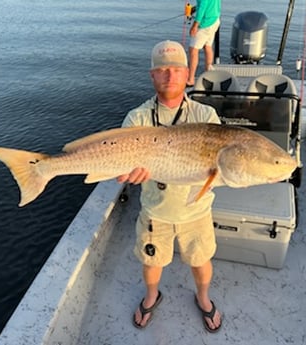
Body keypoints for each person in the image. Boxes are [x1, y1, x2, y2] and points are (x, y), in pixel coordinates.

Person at [117, 40, 222, 333]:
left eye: (176, 69)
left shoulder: (206, 116)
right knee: (152, 262)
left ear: (187, 72)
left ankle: (203, 297)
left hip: (196, 211)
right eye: (162, 69)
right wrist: (129, 172)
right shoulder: (137, 118)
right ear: (152, 75)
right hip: (155, 211)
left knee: (201, 261)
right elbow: (122, 159)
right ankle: (152, 296)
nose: (169, 75)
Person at [186, 0, 221, 87]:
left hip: (205, 23)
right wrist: (194, 8)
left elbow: (202, 7)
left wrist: (195, 25)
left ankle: (190, 79)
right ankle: (208, 71)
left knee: (193, 50)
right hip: (215, 20)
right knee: (207, 46)